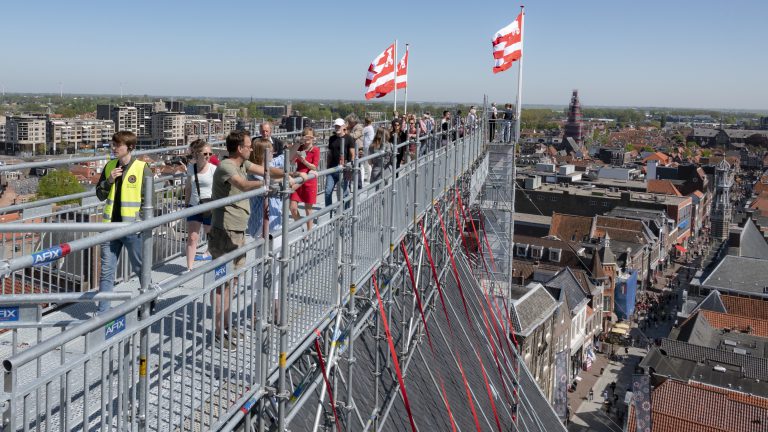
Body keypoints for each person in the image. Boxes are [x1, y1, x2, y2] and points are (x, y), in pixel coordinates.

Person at [208, 130, 270, 349]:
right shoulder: (227, 167)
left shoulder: (242, 165)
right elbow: (242, 185)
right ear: (239, 149)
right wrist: (267, 184)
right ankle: (218, 332)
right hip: (224, 231)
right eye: (248, 145)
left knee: (232, 280)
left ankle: (225, 325)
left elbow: (265, 170)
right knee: (221, 283)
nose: (251, 148)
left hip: (238, 231)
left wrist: (288, 176)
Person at [95, 131, 153, 313]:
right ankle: (103, 312)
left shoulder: (142, 168)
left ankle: (149, 298)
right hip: (110, 227)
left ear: (130, 147)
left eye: (117, 145)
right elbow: (99, 195)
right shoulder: (109, 166)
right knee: (106, 271)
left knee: (139, 267)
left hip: (132, 228)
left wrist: (143, 225)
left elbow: (149, 201)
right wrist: (109, 180)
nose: (113, 148)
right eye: (113, 144)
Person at [184, 139, 216, 272]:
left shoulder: (214, 169)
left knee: (210, 235)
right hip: (194, 205)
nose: (208, 156)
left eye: (210, 153)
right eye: (205, 154)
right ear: (197, 154)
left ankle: (212, 261)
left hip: (209, 205)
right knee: (192, 237)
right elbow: (188, 187)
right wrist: (186, 204)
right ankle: (189, 268)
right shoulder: (191, 168)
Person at [290, 127, 320, 230]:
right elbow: (291, 161)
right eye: (305, 136)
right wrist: (297, 145)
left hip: (309, 180)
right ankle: (300, 227)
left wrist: (303, 161)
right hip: (298, 179)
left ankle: (309, 231)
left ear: (313, 138)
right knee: (293, 208)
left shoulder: (315, 150)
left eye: (310, 137)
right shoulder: (300, 148)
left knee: (308, 209)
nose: (307, 139)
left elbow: (314, 166)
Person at [325, 118, 355, 217]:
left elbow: (352, 154)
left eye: (339, 126)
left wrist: (350, 167)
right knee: (328, 191)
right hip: (333, 168)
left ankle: (345, 212)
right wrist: (327, 167)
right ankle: (328, 213)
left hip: (344, 169)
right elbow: (329, 154)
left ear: (343, 127)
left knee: (343, 192)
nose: (337, 128)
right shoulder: (332, 138)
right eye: (336, 126)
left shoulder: (349, 138)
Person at [361, 117, 374, 185]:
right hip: (369, 146)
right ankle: (369, 177)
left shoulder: (367, 128)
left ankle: (364, 178)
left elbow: (361, 132)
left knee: (365, 163)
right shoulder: (371, 127)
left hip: (366, 146)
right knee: (367, 162)